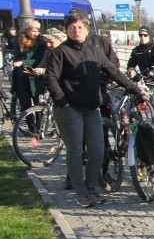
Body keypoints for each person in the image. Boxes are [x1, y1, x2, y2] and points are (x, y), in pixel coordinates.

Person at [44, 11, 148, 208]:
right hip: (69, 108)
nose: (76, 31)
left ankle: (91, 188)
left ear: (87, 29)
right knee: (75, 150)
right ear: (66, 30)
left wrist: (135, 89)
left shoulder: (94, 49)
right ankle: (81, 193)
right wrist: (63, 101)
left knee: (98, 150)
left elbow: (113, 71)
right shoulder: (61, 52)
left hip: (92, 107)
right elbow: (50, 78)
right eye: (71, 28)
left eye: (79, 27)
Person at [11, 19, 47, 118]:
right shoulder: (19, 40)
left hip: (34, 76)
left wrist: (23, 62)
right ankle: (31, 129)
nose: (36, 33)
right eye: (33, 31)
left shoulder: (41, 42)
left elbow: (39, 59)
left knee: (38, 103)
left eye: (37, 31)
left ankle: (39, 129)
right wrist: (13, 62)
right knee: (25, 104)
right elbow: (16, 56)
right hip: (20, 76)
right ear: (27, 30)